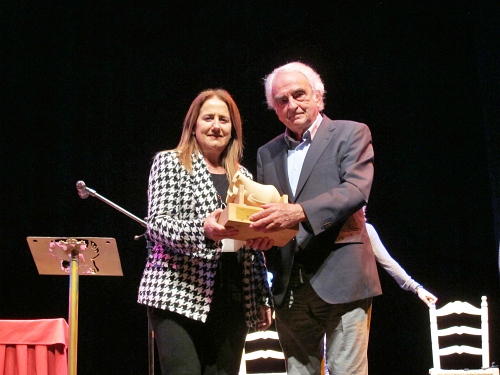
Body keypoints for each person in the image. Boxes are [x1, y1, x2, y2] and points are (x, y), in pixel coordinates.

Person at [247, 61, 382, 375]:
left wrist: (300, 212)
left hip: (343, 279)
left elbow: (355, 190)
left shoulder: (351, 133)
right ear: (274, 109)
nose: (291, 105)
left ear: (318, 98)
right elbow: (268, 210)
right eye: (282, 100)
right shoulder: (266, 153)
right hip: (290, 286)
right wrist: (260, 235)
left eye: (299, 95)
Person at [137, 89, 273, 375]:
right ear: (193, 125)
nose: (216, 126)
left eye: (224, 120)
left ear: (233, 129)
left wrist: (261, 297)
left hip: (232, 296)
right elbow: (157, 225)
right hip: (179, 294)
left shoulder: (243, 176)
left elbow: (249, 243)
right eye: (208, 118)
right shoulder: (170, 163)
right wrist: (203, 230)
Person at [363, 208, 437, 306]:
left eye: (364, 211)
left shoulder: (367, 230)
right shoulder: (336, 229)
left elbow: (388, 262)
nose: (364, 215)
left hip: (356, 298)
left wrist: (417, 288)